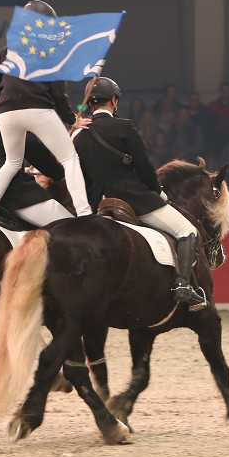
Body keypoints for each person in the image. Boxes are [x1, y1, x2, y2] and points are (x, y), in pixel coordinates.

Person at [72, 77, 207, 309]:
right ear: (114, 100)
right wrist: (158, 192)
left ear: (90, 104)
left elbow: (81, 176)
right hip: (135, 200)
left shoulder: (79, 136)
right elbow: (144, 167)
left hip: (99, 203)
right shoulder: (124, 127)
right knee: (187, 231)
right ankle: (183, 285)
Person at [0, 0, 93, 224]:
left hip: (7, 114)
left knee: (11, 163)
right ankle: (85, 212)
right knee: (70, 159)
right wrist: (72, 121)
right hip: (39, 110)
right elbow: (58, 95)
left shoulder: (7, 50)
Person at [0, 70, 73, 227]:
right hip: (14, 193)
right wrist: (60, 174)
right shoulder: (9, 117)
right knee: (69, 227)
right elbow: (36, 152)